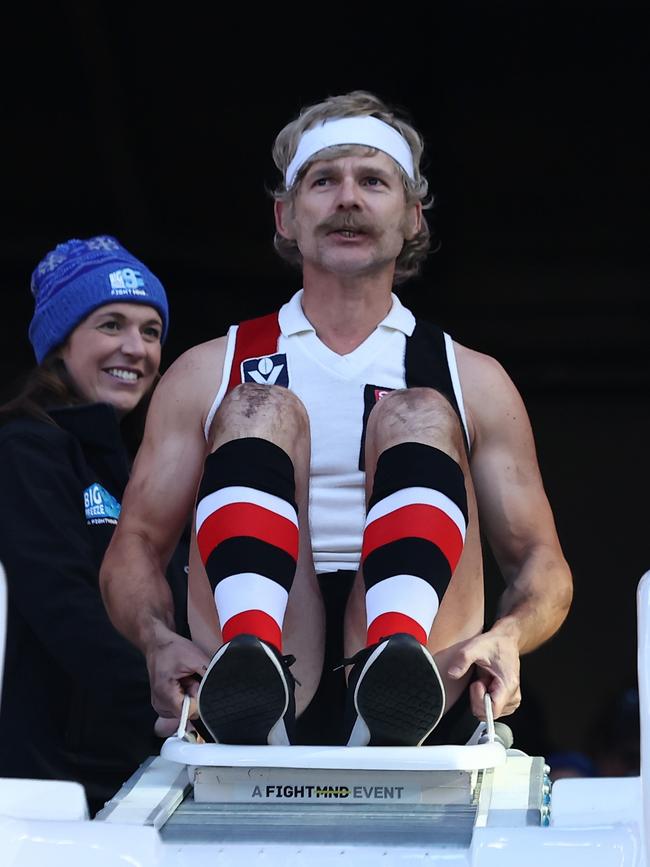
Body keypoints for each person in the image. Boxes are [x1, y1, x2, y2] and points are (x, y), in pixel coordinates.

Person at [100, 91, 573, 748]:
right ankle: (253, 666)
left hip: (424, 667)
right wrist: (158, 642)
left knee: (419, 411)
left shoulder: (473, 377)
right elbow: (136, 544)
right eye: (324, 181)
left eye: (373, 181)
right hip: (258, 660)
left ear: (412, 218)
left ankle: (393, 664)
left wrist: (509, 636)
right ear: (286, 217)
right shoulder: (210, 368)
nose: (347, 198)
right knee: (257, 406)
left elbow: (541, 560)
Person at [0, 235, 188, 814]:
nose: (136, 348)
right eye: (111, 325)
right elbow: (61, 604)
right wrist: (173, 711)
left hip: (144, 766)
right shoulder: (24, 448)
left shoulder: (142, 466)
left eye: (151, 331)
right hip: (57, 786)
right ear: (59, 343)